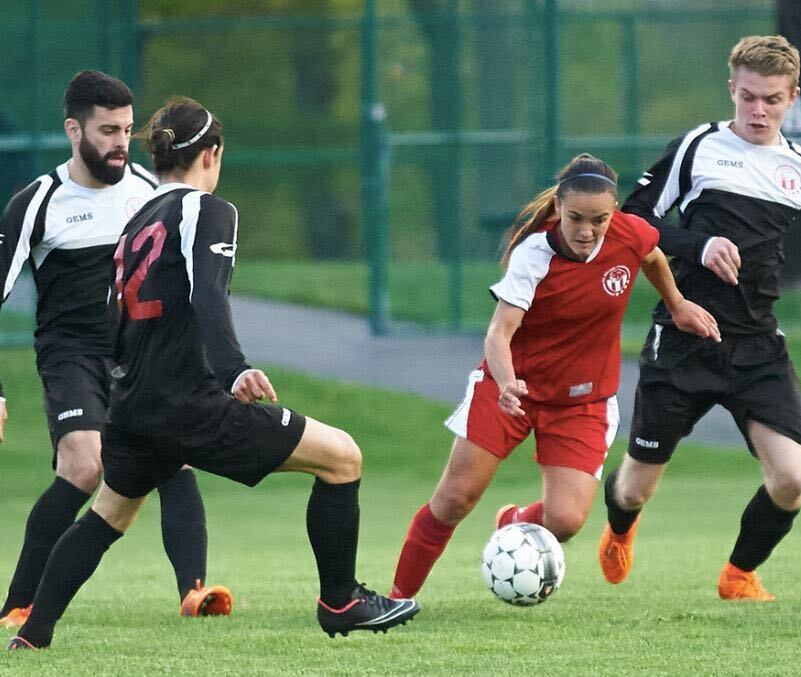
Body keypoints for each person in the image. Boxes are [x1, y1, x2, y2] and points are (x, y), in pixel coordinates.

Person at [7, 97, 420, 650]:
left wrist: (125, 387)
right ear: (212, 153)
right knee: (342, 457)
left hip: (134, 405)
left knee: (107, 516)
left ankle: (33, 634)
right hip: (190, 404)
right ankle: (341, 601)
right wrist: (234, 371)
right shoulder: (208, 209)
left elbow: (114, 312)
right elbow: (209, 295)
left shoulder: (136, 219)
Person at [598, 35, 801, 600]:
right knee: (635, 489)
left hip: (757, 345)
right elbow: (630, 221)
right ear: (731, 90)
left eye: (771, 99)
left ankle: (738, 574)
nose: (758, 110)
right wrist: (698, 245)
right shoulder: (698, 148)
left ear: (793, 97)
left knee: (793, 479)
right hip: (683, 337)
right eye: (747, 97)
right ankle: (620, 528)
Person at [390, 153, 721, 599]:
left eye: (599, 220)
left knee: (565, 521)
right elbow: (498, 333)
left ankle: (513, 523)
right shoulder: (534, 255)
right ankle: (396, 599)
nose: (586, 231)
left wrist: (677, 304)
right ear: (559, 208)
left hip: (583, 400)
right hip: (513, 390)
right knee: (453, 500)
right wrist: (507, 382)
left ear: (613, 212)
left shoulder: (629, 233)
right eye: (575, 218)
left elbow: (653, 256)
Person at [0, 71, 226, 628]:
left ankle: (194, 593)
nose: (121, 143)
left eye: (127, 130)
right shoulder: (38, 202)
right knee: (84, 465)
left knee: (175, 454)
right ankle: (19, 604)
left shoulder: (150, 191)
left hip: (138, 354)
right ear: (73, 130)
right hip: (71, 353)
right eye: (107, 131)